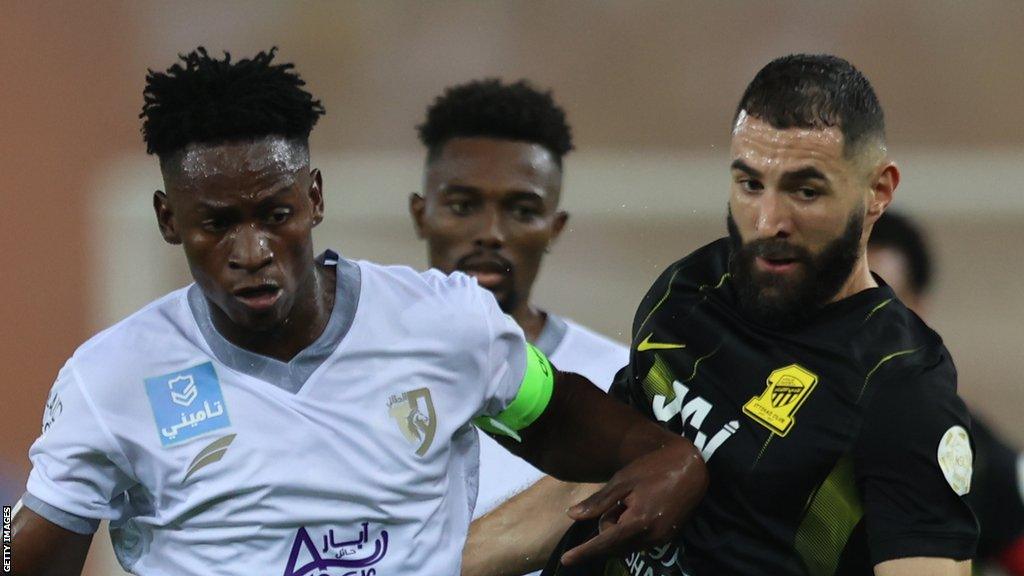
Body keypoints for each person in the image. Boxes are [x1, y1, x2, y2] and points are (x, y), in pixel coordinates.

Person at [9, 48, 708, 576]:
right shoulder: (111, 382)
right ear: (168, 219)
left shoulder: (449, 326)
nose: (250, 250)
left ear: (314, 197)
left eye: (275, 214)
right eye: (216, 224)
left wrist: (671, 459)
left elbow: (566, 422)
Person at [470, 54, 979, 576]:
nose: (767, 221)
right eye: (750, 184)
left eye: (805, 191)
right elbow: (594, 480)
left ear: (878, 191)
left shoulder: (901, 387)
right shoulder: (689, 290)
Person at [409, 79, 630, 575]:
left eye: (522, 210)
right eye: (463, 206)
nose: (490, 232)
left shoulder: (619, 381)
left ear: (555, 227)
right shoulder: (354, 367)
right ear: (421, 215)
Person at [869, 212, 1024, 575]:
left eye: (881, 304)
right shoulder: (760, 424)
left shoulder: (977, 457)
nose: (859, 324)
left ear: (918, 312)